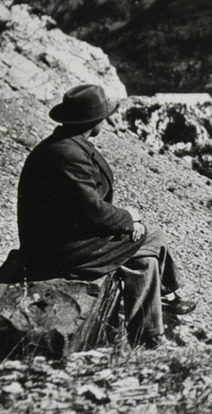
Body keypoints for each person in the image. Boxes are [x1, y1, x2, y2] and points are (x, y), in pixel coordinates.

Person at [17, 83, 195, 344]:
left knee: (145, 262)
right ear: (94, 119)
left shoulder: (65, 146)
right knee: (152, 235)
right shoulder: (68, 154)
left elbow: (81, 208)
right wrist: (127, 219)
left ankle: (152, 333)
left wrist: (123, 220)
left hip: (65, 238)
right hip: (61, 251)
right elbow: (94, 211)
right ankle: (165, 303)